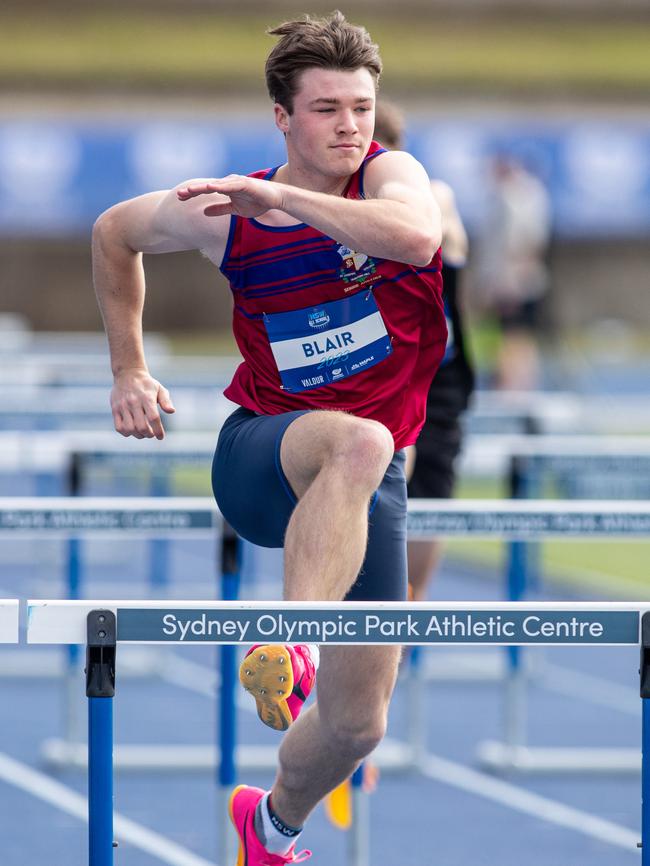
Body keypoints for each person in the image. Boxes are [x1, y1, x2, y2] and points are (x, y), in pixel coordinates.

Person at [92, 12, 445, 865]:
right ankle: (288, 639)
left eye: (361, 106)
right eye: (327, 109)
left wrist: (286, 197)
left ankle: (273, 824)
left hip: (365, 485)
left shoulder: (389, 175)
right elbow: (113, 233)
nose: (351, 125)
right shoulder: (225, 215)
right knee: (361, 441)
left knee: (360, 724)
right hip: (263, 457)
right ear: (283, 118)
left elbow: (418, 237)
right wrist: (128, 368)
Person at [373, 101, 474, 601]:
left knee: (435, 493)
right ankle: (372, 593)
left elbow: (438, 226)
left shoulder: (431, 195)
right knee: (389, 459)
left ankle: (411, 606)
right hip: (382, 372)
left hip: (441, 375)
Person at [474, 154, 552, 390]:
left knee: (514, 335)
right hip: (518, 278)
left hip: (514, 281)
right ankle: (517, 385)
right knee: (516, 335)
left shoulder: (515, 197)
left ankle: (515, 387)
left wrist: (505, 281)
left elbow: (518, 242)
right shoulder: (526, 195)